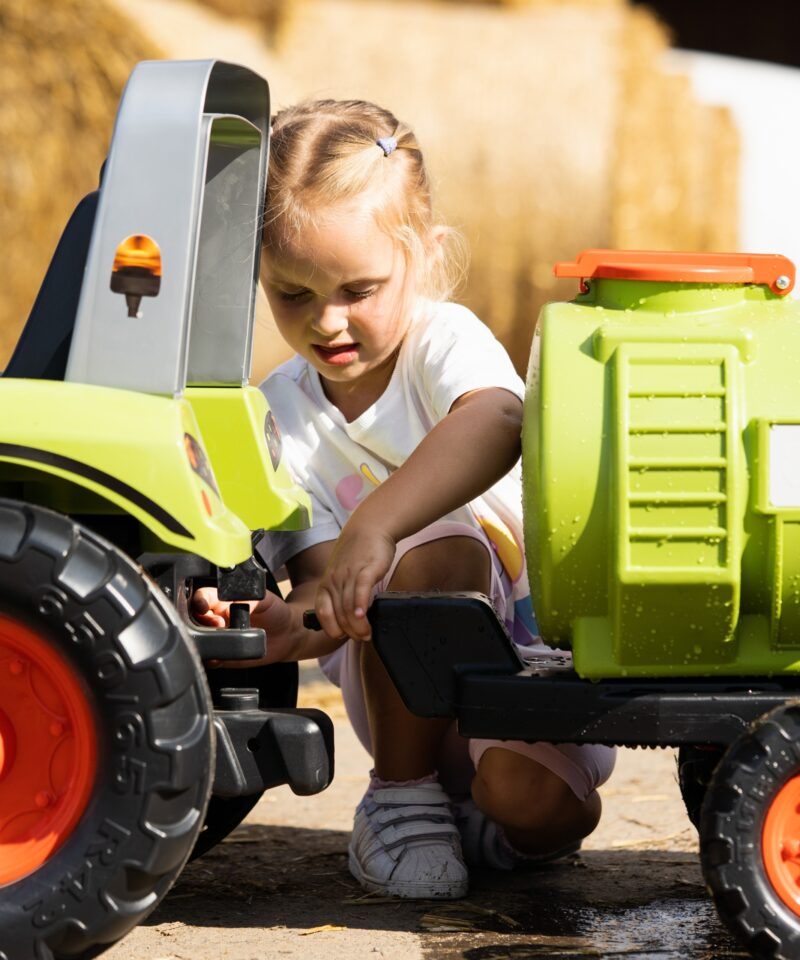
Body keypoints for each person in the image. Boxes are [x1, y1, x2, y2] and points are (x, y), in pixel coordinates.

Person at [193, 99, 615, 900]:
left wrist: (378, 521)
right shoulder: (279, 413)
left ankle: (489, 827)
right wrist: (293, 623)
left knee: (536, 808)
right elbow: (331, 590)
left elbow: (498, 418)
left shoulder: (442, 341)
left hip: (527, 678)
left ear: (424, 256)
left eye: (359, 289)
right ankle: (400, 797)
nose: (328, 321)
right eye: (292, 294)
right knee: (431, 556)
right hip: (404, 714)